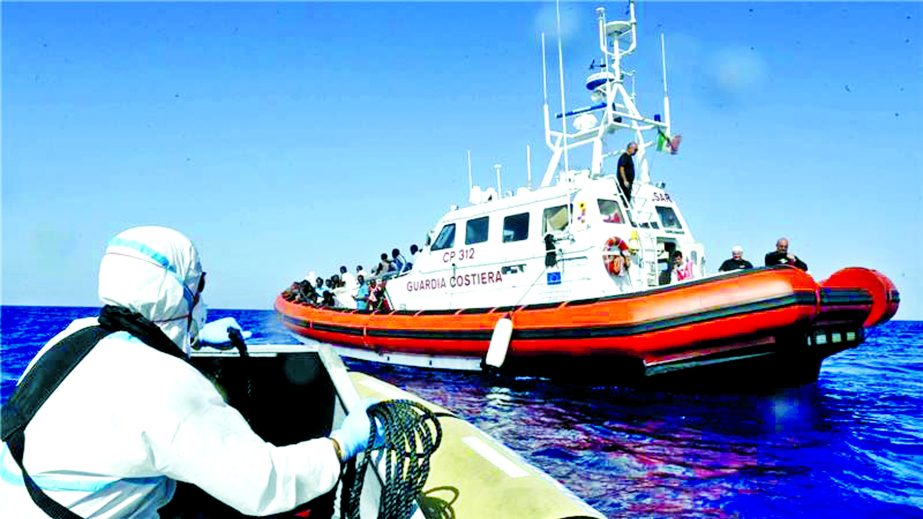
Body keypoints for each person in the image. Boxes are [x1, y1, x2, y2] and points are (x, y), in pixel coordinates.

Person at [0, 226, 372, 518]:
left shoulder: (71, 337)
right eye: (198, 287)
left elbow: (132, 368)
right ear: (177, 294)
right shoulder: (168, 384)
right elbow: (264, 484)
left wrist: (192, 341)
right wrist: (341, 445)